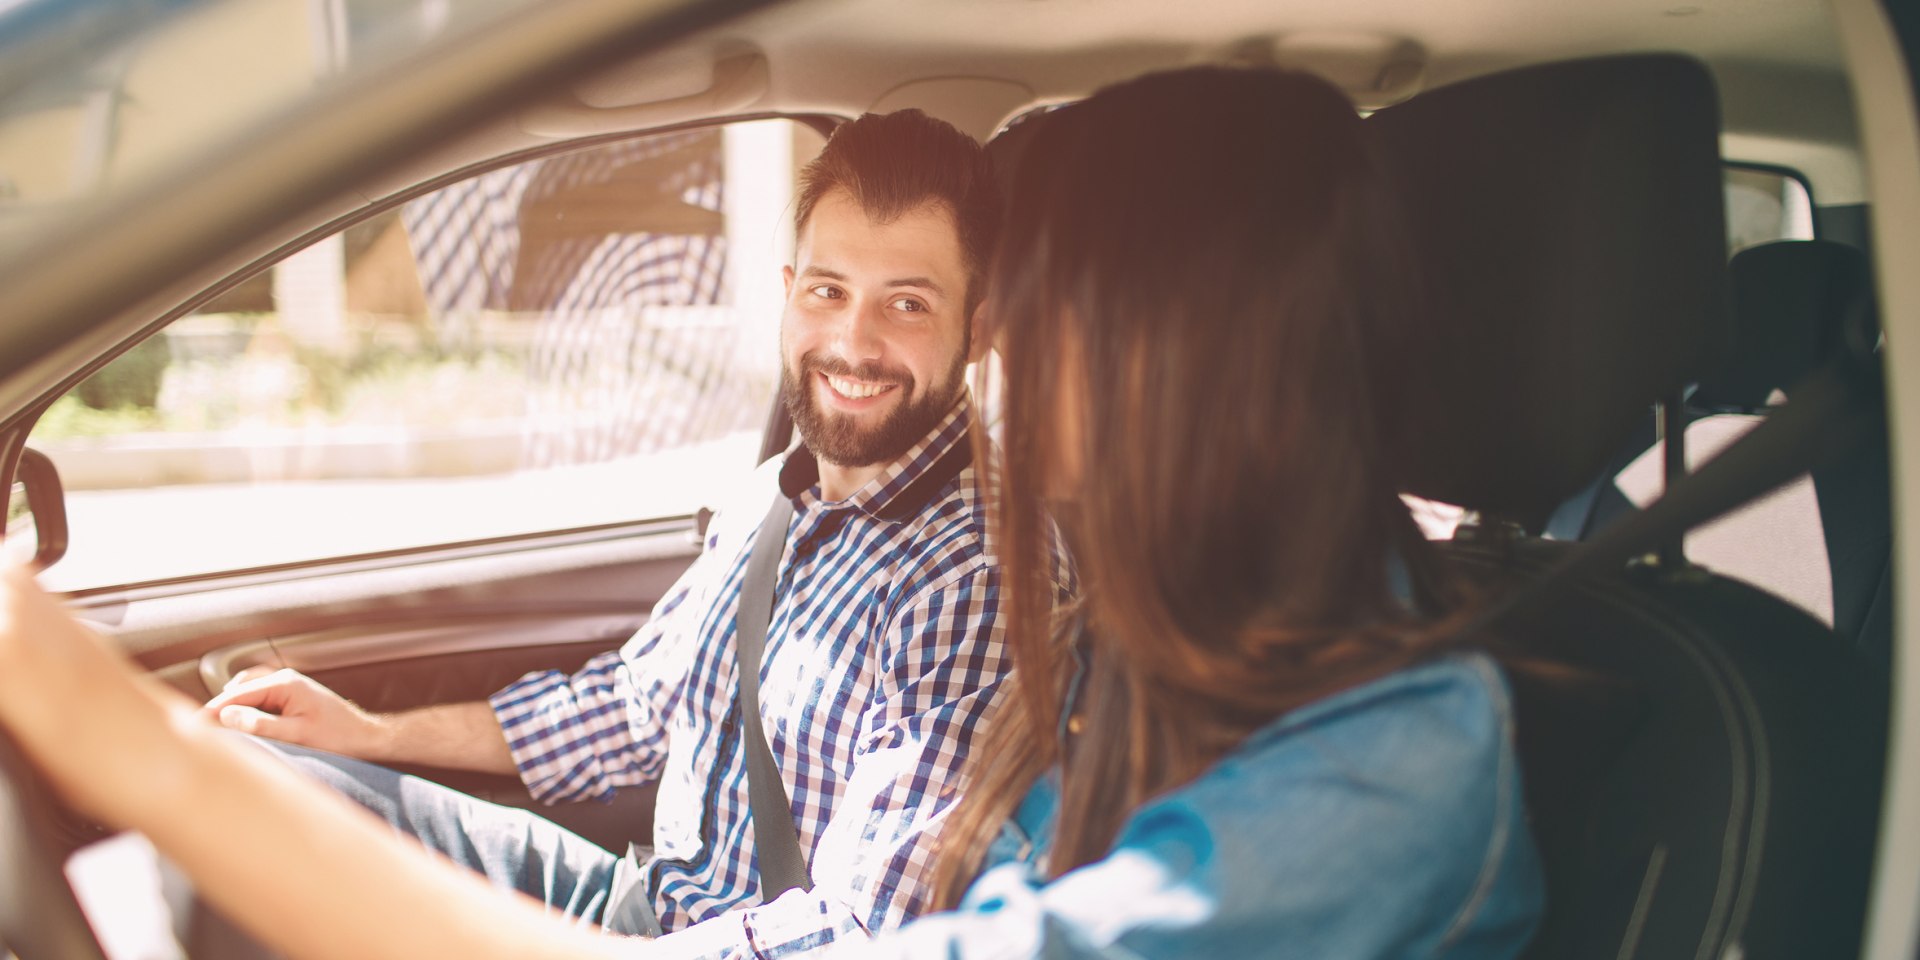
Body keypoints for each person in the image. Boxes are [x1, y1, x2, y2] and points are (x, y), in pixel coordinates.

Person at [0, 65, 1541, 959]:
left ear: (1182, 366)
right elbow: (635, 706)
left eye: (1036, 330)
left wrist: (140, 748)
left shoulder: (1396, 761)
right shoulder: (1184, 659)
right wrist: (338, 745)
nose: (1011, 380)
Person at [190, 107, 1041, 952]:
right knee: (250, 786)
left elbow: (862, 933)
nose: (853, 342)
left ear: (976, 328)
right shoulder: (772, 501)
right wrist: (372, 735)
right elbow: (635, 710)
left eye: (906, 305)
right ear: (788, 294)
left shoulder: (977, 577)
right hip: (631, 902)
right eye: (829, 291)